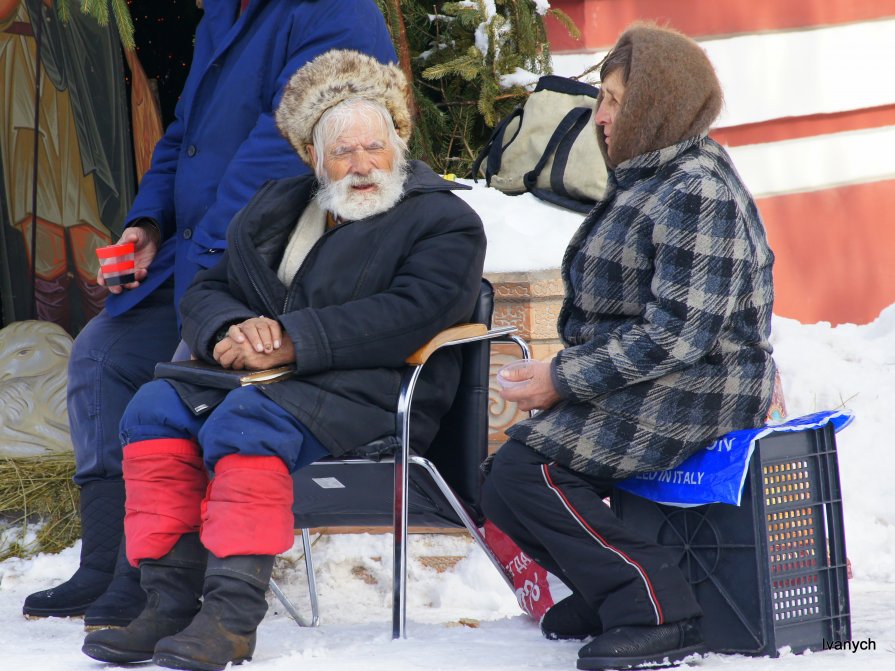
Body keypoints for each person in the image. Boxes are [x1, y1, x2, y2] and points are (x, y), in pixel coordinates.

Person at [80, 49, 487, 670]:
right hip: (266, 378)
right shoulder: (280, 207)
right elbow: (208, 289)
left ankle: (230, 618)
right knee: (155, 408)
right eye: (342, 152)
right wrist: (230, 327)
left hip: (373, 388)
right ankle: (167, 602)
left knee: (244, 425)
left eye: (374, 147)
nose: (361, 166)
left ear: (398, 142)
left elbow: (411, 312)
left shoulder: (443, 220)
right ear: (313, 159)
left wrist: (288, 337)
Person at [23, 0, 396, 627]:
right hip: (196, 251)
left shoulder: (336, 10)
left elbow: (283, 148)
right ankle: (106, 559)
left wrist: (210, 264)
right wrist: (149, 221)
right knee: (101, 353)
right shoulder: (224, 13)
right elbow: (184, 137)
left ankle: (150, 574)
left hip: (277, 265)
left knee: (178, 379)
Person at [481, 22, 776, 671]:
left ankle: (653, 604)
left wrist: (562, 378)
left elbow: (681, 331)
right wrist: (567, 376)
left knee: (529, 472)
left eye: (615, 99)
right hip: (655, 377)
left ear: (655, 104)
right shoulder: (651, 176)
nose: (601, 114)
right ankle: (607, 586)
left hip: (704, 383)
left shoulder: (695, 188)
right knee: (500, 485)